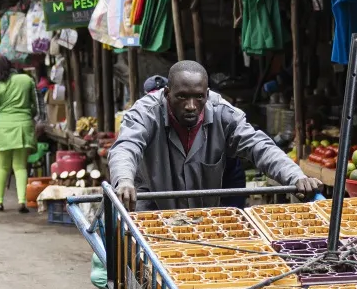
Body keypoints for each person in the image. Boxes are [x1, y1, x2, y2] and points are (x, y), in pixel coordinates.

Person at [108, 60, 320, 209]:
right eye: (182, 97)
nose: (191, 106)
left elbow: (259, 146)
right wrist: (124, 181)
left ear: (207, 95)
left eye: (198, 97)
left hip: (205, 212)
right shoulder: (145, 112)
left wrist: (296, 176)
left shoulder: (223, 113)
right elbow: (126, 146)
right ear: (167, 94)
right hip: (153, 204)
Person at [0, 56, 37, 212]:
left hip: (3, 129)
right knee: (20, 167)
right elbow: (34, 106)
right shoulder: (26, 80)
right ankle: (22, 202)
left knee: (2, 167)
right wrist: (26, 113)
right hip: (23, 127)